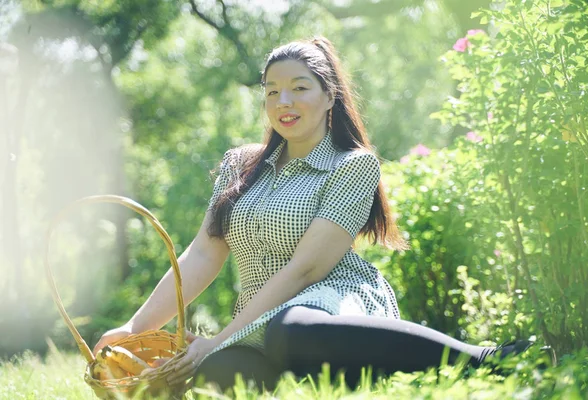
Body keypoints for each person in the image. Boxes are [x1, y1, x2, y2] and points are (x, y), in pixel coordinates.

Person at [93, 36, 536, 392]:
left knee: (291, 330)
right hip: (258, 316)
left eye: (299, 88)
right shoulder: (240, 165)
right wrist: (135, 328)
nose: (283, 101)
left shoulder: (353, 165)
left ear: (329, 97)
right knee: (218, 372)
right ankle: (348, 375)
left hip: (330, 303)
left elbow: (307, 269)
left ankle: (488, 359)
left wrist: (219, 335)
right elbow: (203, 255)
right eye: (272, 91)